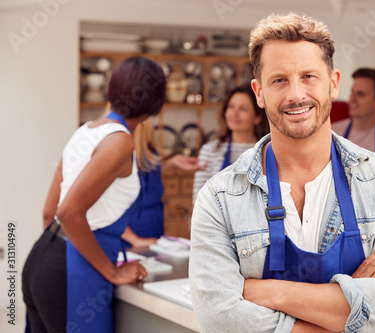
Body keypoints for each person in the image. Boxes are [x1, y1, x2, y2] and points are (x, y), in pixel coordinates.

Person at [189, 12, 375, 333]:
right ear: (259, 92)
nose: (296, 94)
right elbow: (218, 319)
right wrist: (348, 305)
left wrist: (269, 291)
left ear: (333, 83)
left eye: (309, 76)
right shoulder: (219, 198)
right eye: (279, 80)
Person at [22, 56, 166, 332]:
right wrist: (111, 272)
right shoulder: (120, 141)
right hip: (73, 268)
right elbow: (68, 212)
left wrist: (54, 260)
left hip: (42, 257)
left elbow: (49, 212)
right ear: (155, 104)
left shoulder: (85, 131)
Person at [121, 118, 205, 247]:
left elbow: (147, 173)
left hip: (154, 230)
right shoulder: (122, 155)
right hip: (129, 238)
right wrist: (134, 240)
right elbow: (108, 210)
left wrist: (171, 163)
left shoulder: (148, 149)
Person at [192, 85, 268, 204]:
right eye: (231, 107)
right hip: (217, 221)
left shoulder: (266, 151)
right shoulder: (210, 150)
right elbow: (199, 201)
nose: (234, 114)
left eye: (243, 108)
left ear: (257, 117)